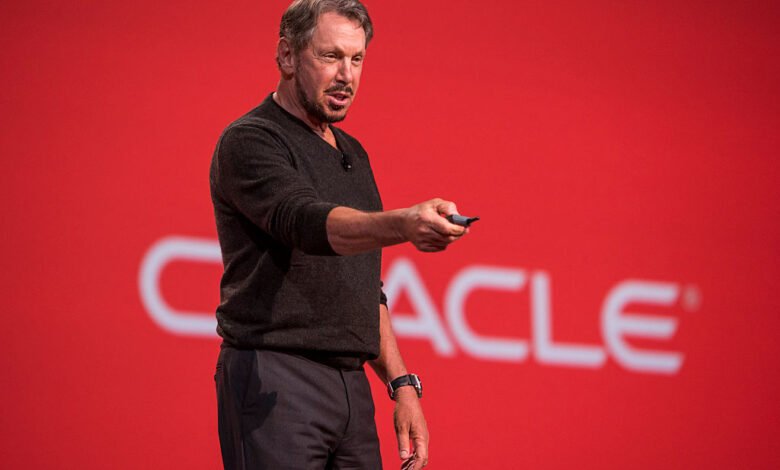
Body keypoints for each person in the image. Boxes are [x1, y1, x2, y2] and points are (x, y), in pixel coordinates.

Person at [210, 1, 467, 468]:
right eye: (330, 57)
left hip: (352, 390)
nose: (346, 75)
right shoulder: (251, 140)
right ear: (287, 56)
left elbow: (366, 287)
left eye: (357, 58)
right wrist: (403, 223)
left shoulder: (354, 154)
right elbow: (306, 223)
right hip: (277, 377)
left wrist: (402, 385)